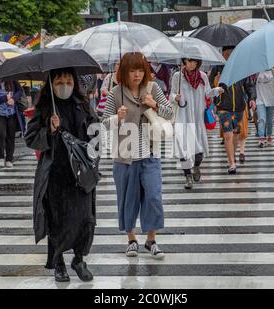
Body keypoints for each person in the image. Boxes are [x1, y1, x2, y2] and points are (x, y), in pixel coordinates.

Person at [25, 68, 98, 283]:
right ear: (51, 84)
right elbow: (30, 138)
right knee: (57, 220)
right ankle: (59, 263)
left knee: (85, 218)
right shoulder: (45, 108)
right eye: (59, 81)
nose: (64, 85)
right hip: (55, 174)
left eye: (68, 80)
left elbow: (95, 131)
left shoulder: (83, 105)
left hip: (80, 174)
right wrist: (49, 129)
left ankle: (79, 259)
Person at [102, 52, 173, 259]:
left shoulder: (153, 88)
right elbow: (105, 122)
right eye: (132, 70)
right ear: (124, 72)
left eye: (141, 70)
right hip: (125, 156)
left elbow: (169, 113)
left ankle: (151, 239)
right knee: (127, 198)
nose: (137, 75)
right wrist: (117, 117)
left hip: (150, 153)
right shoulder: (116, 93)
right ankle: (131, 238)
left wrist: (154, 104)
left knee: (153, 196)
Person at [170, 58, 223, 189]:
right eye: (189, 61)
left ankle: (196, 166)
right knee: (183, 150)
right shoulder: (177, 76)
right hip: (183, 116)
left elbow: (207, 93)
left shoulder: (203, 76)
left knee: (199, 151)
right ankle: (187, 176)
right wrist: (174, 97)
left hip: (198, 117)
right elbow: (171, 94)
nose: (191, 64)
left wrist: (217, 90)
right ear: (184, 61)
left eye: (194, 62)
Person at [212, 46, 256, 174]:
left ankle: (233, 156)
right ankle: (231, 162)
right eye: (227, 53)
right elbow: (209, 90)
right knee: (227, 135)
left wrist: (252, 98)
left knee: (236, 134)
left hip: (239, 106)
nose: (229, 55)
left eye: (231, 53)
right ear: (223, 54)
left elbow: (249, 85)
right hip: (223, 107)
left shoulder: (241, 68)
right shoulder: (217, 69)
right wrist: (216, 83)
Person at [0, 79, 24, 168]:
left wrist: (13, 99)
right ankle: (1, 157)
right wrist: (4, 98)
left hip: (12, 113)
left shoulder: (13, 80)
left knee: (11, 136)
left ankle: (9, 159)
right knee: (1, 134)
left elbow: (20, 91)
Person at [254, 69, 274, 147]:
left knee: (269, 120)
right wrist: (251, 98)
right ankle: (261, 138)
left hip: (271, 100)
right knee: (261, 119)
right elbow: (251, 84)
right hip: (260, 100)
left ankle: (269, 136)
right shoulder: (256, 72)